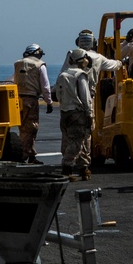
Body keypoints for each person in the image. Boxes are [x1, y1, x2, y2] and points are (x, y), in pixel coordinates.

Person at [56, 48, 93, 181]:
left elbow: (57, 94)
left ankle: (83, 169)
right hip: (78, 113)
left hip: (65, 112)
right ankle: (67, 169)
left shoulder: (63, 75)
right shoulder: (80, 75)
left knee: (69, 140)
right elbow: (86, 97)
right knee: (77, 142)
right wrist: (89, 114)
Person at [14, 43, 53, 163]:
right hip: (31, 99)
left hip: (18, 99)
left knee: (22, 127)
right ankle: (26, 155)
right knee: (31, 127)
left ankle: (29, 153)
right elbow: (45, 86)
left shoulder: (18, 64)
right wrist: (49, 102)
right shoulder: (39, 65)